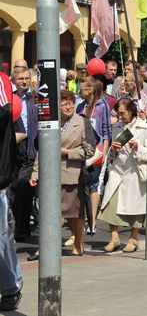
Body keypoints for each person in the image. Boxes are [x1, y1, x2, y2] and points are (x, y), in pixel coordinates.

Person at [30, 90, 95, 257]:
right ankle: (45, 247)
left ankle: (78, 245)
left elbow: (90, 151)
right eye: (64, 102)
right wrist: (35, 173)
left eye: (71, 102)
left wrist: (67, 152)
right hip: (50, 175)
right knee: (51, 212)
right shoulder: (50, 122)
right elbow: (42, 149)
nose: (68, 106)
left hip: (72, 174)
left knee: (74, 213)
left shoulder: (82, 122)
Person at [98, 98, 147, 253]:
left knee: (136, 208)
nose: (120, 116)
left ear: (132, 110)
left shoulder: (145, 127)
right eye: (118, 113)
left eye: (122, 113)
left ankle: (133, 239)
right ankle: (114, 238)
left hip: (135, 172)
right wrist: (114, 149)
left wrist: (137, 148)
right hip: (118, 171)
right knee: (110, 204)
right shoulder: (116, 127)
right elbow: (112, 154)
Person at [77, 76, 112, 233]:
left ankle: (92, 221)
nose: (79, 92)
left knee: (94, 184)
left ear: (90, 90)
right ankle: (83, 217)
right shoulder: (80, 107)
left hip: (97, 150)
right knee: (82, 184)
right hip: (82, 150)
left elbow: (106, 130)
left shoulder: (102, 106)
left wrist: (104, 152)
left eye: (82, 89)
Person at [0, 73, 22, 311]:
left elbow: (6, 111)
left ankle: (10, 287)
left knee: (1, 238)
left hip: (0, 177)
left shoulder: (1, 81)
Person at [10, 66, 38, 241]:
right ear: (14, 79)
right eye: (21, 78)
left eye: (27, 78)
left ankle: (22, 229)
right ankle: (12, 226)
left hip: (30, 147)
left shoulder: (34, 98)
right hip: (12, 146)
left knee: (24, 188)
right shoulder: (9, 98)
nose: (25, 82)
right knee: (11, 188)